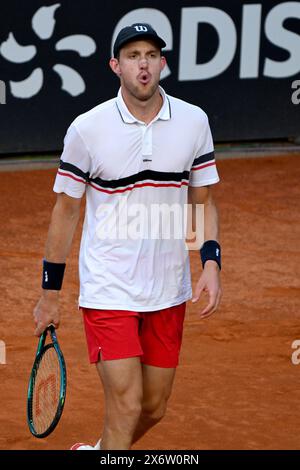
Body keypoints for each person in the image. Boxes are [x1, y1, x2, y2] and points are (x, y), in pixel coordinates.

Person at [33, 23, 222, 450]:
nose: (143, 64)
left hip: (169, 290)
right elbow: (65, 212)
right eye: (133, 56)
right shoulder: (87, 129)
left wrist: (210, 261)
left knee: (154, 406)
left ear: (163, 64)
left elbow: (203, 200)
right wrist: (50, 293)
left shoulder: (194, 122)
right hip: (108, 289)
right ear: (116, 66)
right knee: (126, 403)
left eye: (151, 55)